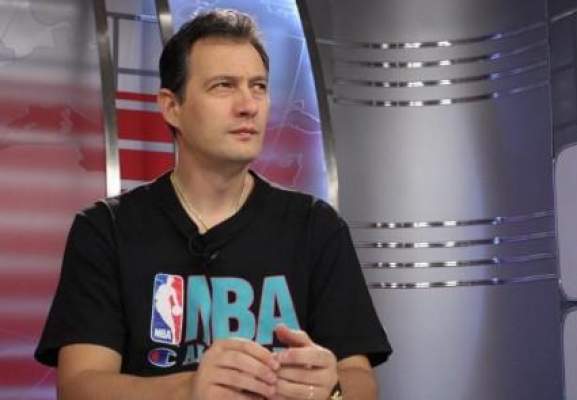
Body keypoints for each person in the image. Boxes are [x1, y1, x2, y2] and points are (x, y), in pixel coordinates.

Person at [35, 9, 392, 400]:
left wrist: (332, 388)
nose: (248, 105)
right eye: (224, 86)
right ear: (171, 107)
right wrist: (190, 388)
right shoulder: (105, 230)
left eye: (258, 86)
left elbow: (360, 378)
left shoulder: (315, 227)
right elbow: (80, 386)